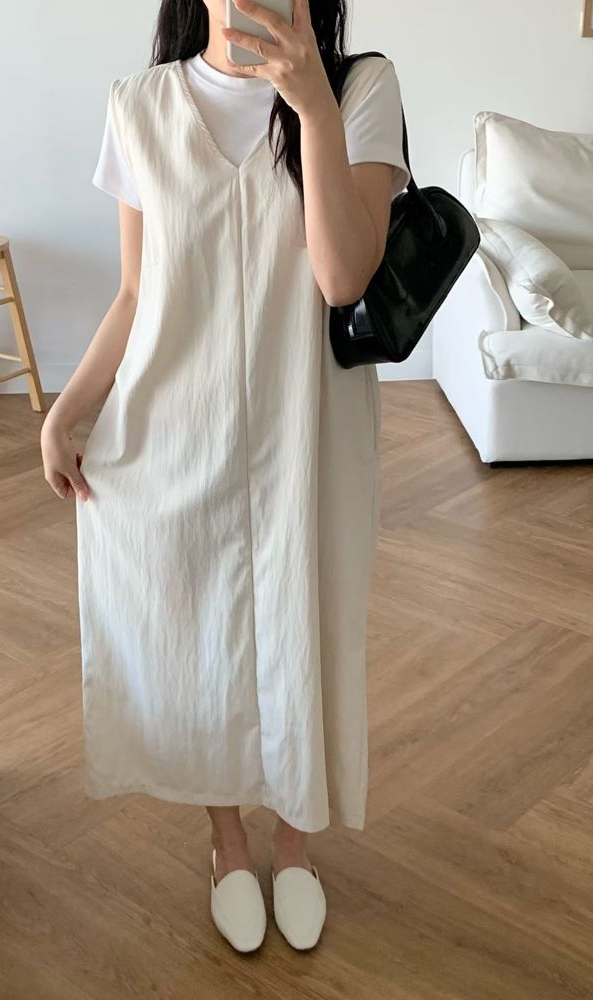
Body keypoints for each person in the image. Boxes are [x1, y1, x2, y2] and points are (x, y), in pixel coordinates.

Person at [40, 0, 409, 954]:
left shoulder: (360, 89)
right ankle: (228, 843)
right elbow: (137, 290)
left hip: (307, 434)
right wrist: (69, 407)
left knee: (305, 624)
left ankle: (294, 844)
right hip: (175, 426)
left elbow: (343, 277)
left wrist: (313, 106)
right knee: (191, 629)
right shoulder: (139, 105)